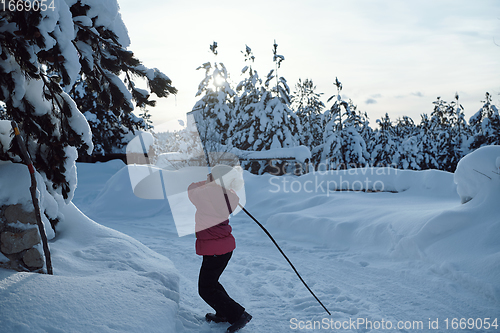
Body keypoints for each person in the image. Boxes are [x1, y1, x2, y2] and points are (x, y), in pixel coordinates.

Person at [187, 165, 252, 333]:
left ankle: (239, 315)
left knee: (205, 289)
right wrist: (216, 182)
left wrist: (208, 181)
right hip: (224, 248)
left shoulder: (205, 193)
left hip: (214, 249)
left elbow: (191, 188)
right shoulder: (230, 195)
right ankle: (223, 313)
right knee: (212, 283)